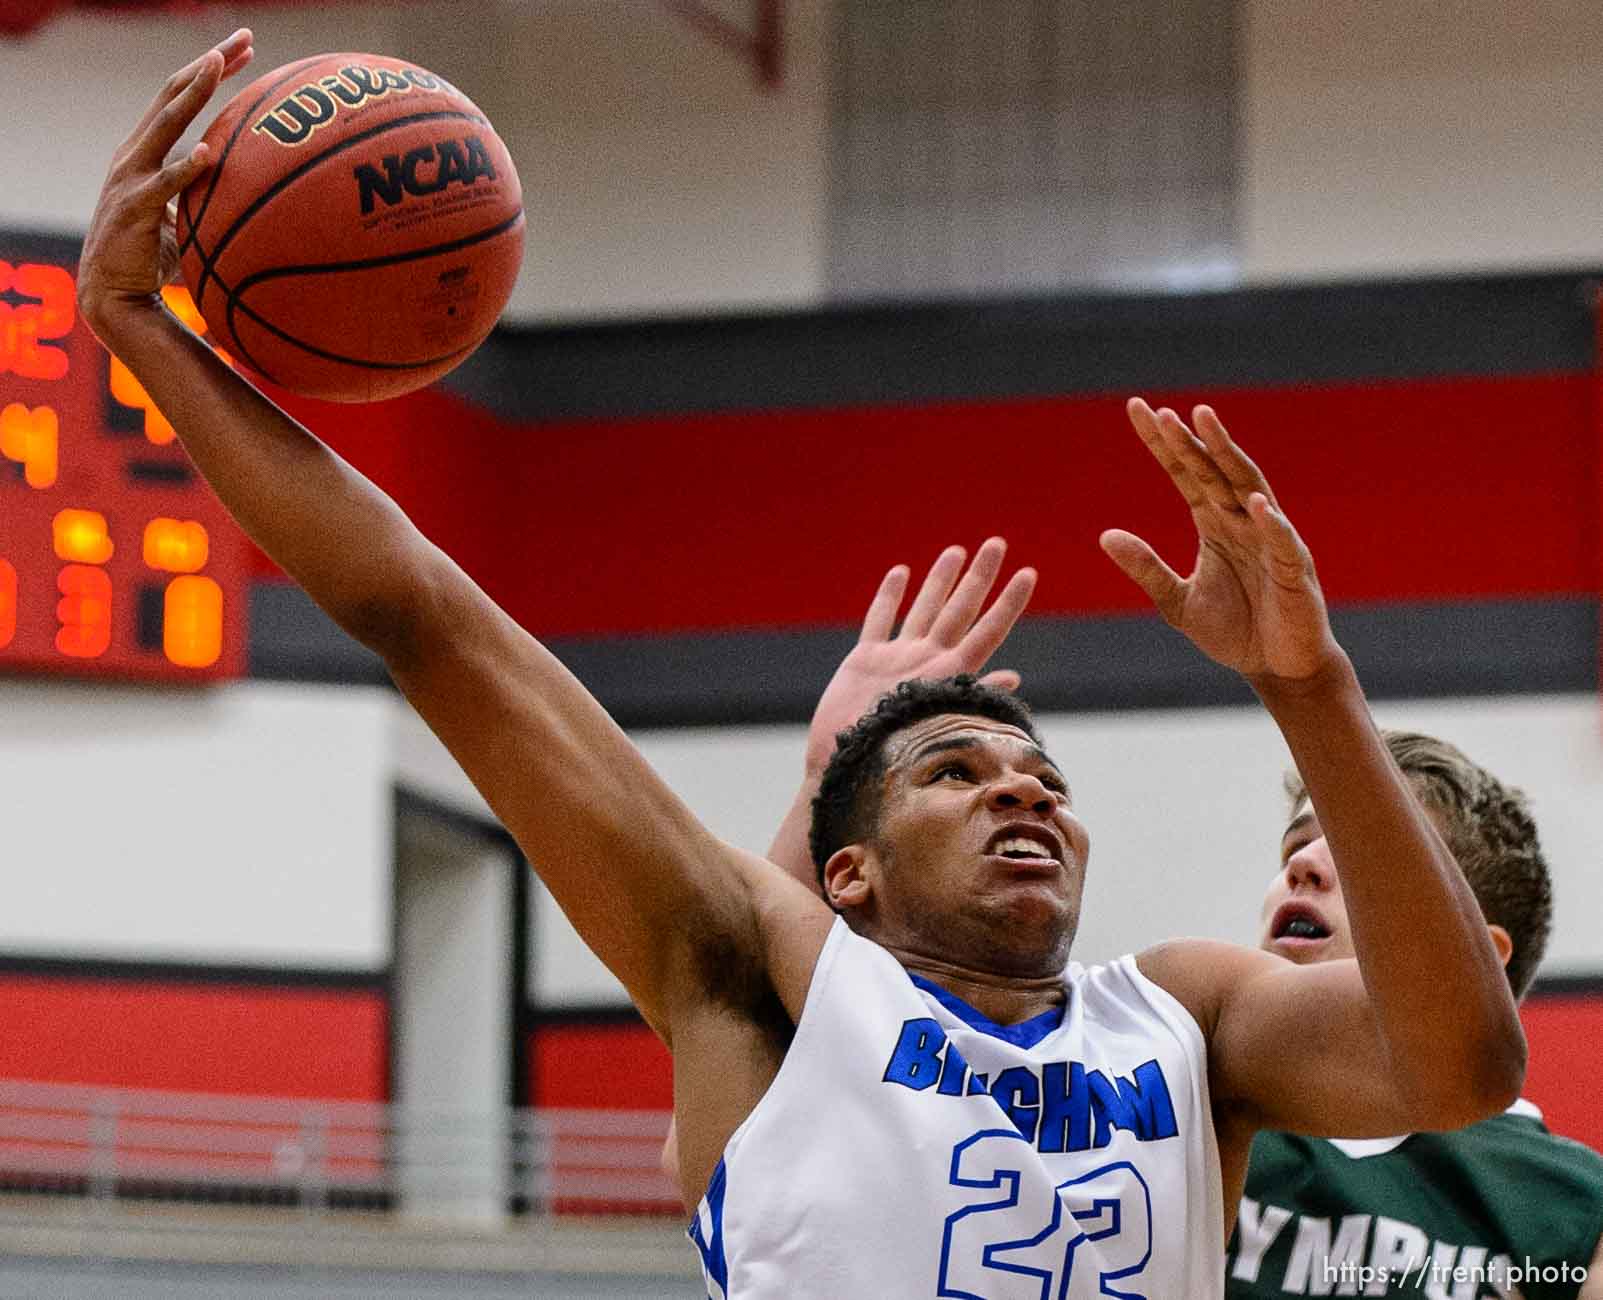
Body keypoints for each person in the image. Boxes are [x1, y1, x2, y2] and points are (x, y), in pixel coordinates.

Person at [81, 34, 1527, 1297]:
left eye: (1037, 775)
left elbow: (1461, 1070)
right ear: (849, 878)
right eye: (952, 773)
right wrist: (143, 330)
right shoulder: (764, 986)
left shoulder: (1183, 1015)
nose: (1020, 793)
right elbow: (428, 619)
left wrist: (1306, 682)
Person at [1226, 733, 1603, 1299]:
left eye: (1365, 853)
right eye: (1296, 846)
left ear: (1478, 963)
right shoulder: (1177, 1105)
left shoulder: (1572, 1204)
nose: (1303, 865)